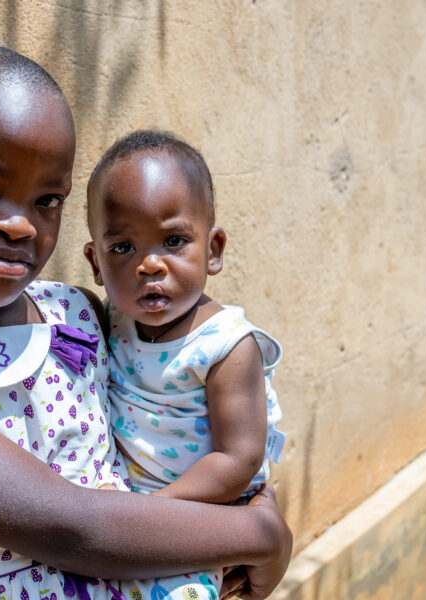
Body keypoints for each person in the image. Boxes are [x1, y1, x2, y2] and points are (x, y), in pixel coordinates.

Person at [0, 43, 292, 600]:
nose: (21, 225)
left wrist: (248, 489)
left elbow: (183, 411)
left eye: (48, 199)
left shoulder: (77, 315)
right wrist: (258, 533)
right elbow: (73, 527)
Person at [83, 130, 286, 600]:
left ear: (212, 250)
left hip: (202, 521)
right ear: (96, 263)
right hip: (130, 520)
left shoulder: (226, 347)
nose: (150, 264)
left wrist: (150, 515)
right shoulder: (110, 321)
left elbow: (239, 461)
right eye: (122, 248)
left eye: (173, 240)